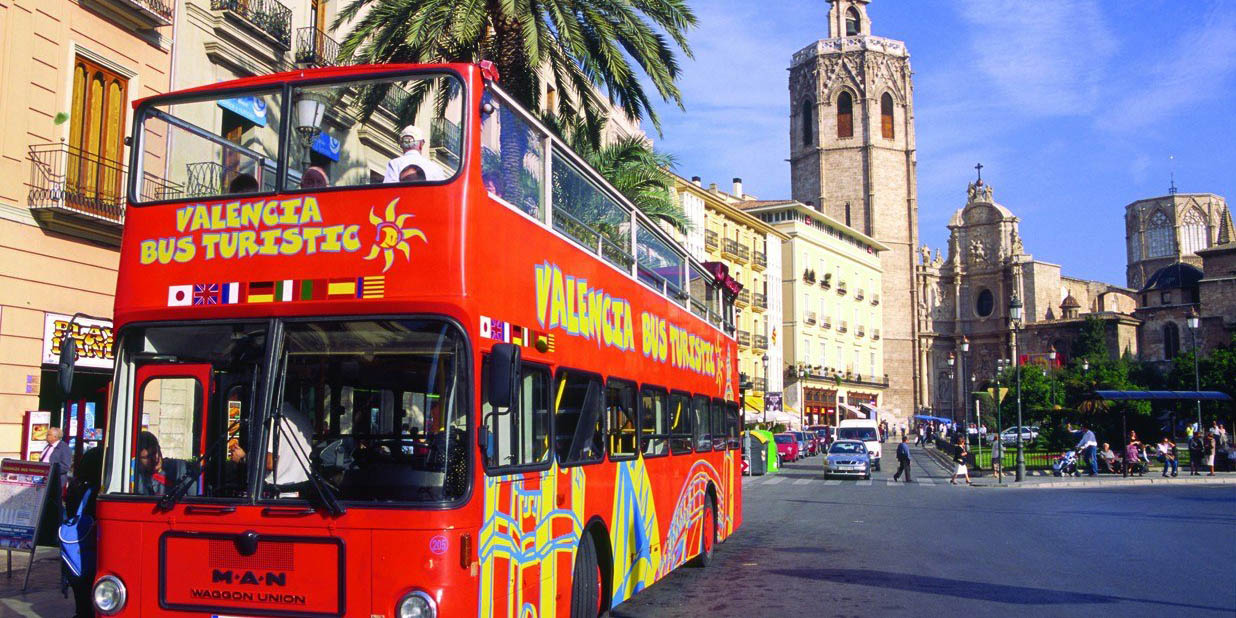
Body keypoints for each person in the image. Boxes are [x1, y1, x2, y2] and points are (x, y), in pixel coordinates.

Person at [230, 401, 313, 495]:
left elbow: (270, 463)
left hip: (278, 492)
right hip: (300, 491)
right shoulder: (304, 420)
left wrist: (243, 458)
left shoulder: (275, 419)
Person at [61, 446, 102, 618]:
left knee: (80, 592)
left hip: (74, 550)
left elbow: (71, 511)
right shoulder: (95, 492)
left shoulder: (75, 486)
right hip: (89, 547)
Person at [133, 432, 192, 496]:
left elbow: (194, 499)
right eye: (148, 457)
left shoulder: (180, 468)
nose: (156, 458)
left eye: (155, 452)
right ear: (138, 459)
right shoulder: (135, 479)